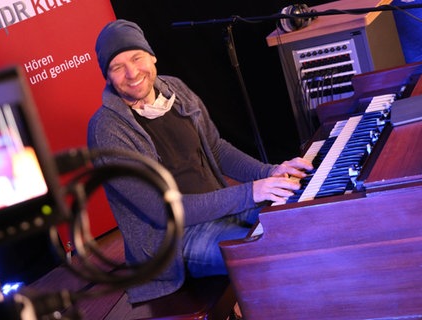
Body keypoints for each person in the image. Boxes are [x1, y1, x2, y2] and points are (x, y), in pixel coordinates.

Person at [87, 19, 313, 304]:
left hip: (219, 206)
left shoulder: (175, 89)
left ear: (152, 57)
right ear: (107, 77)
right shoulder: (106, 130)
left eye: (136, 58)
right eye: (117, 67)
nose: (132, 73)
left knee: (303, 220)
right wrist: (250, 192)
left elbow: (216, 149)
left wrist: (270, 171)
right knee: (268, 254)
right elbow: (163, 211)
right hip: (174, 243)